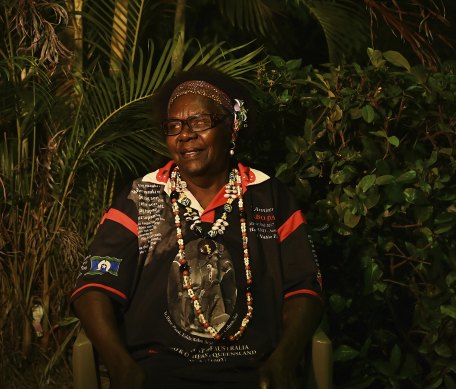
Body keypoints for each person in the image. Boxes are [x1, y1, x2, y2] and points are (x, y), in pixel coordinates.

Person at [71, 65, 324, 389]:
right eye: (173, 125)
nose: (185, 134)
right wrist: (122, 366)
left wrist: (283, 360)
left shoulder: (268, 194)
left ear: (231, 128)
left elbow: (305, 288)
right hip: (158, 374)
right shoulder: (143, 195)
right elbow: (93, 288)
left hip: (252, 372)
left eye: (199, 122)